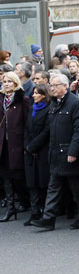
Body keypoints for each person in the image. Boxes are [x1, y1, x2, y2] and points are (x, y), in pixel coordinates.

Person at [31, 74, 79, 230]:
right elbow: (51, 129)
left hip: (69, 153)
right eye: (51, 85)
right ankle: (48, 218)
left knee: (76, 188)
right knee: (53, 186)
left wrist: (73, 151)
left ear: (65, 86)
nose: (52, 88)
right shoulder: (55, 104)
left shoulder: (75, 103)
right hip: (56, 153)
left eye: (55, 85)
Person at [0, 72, 31, 222]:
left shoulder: (22, 99)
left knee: (18, 176)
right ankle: (10, 207)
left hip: (17, 143)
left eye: (9, 82)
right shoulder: (1, 100)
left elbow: (27, 124)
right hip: (3, 144)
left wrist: (26, 143)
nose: (6, 84)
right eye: (4, 81)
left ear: (15, 83)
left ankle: (25, 202)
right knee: (5, 176)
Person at [23, 84, 51, 226]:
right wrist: (27, 147)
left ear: (43, 95)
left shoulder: (48, 110)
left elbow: (46, 131)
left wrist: (33, 146)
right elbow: (27, 129)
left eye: (36, 93)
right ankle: (34, 212)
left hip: (42, 151)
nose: (33, 95)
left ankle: (45, 213)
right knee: (32, 183)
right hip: (30, 152)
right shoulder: (32, 109)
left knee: (42, 183)